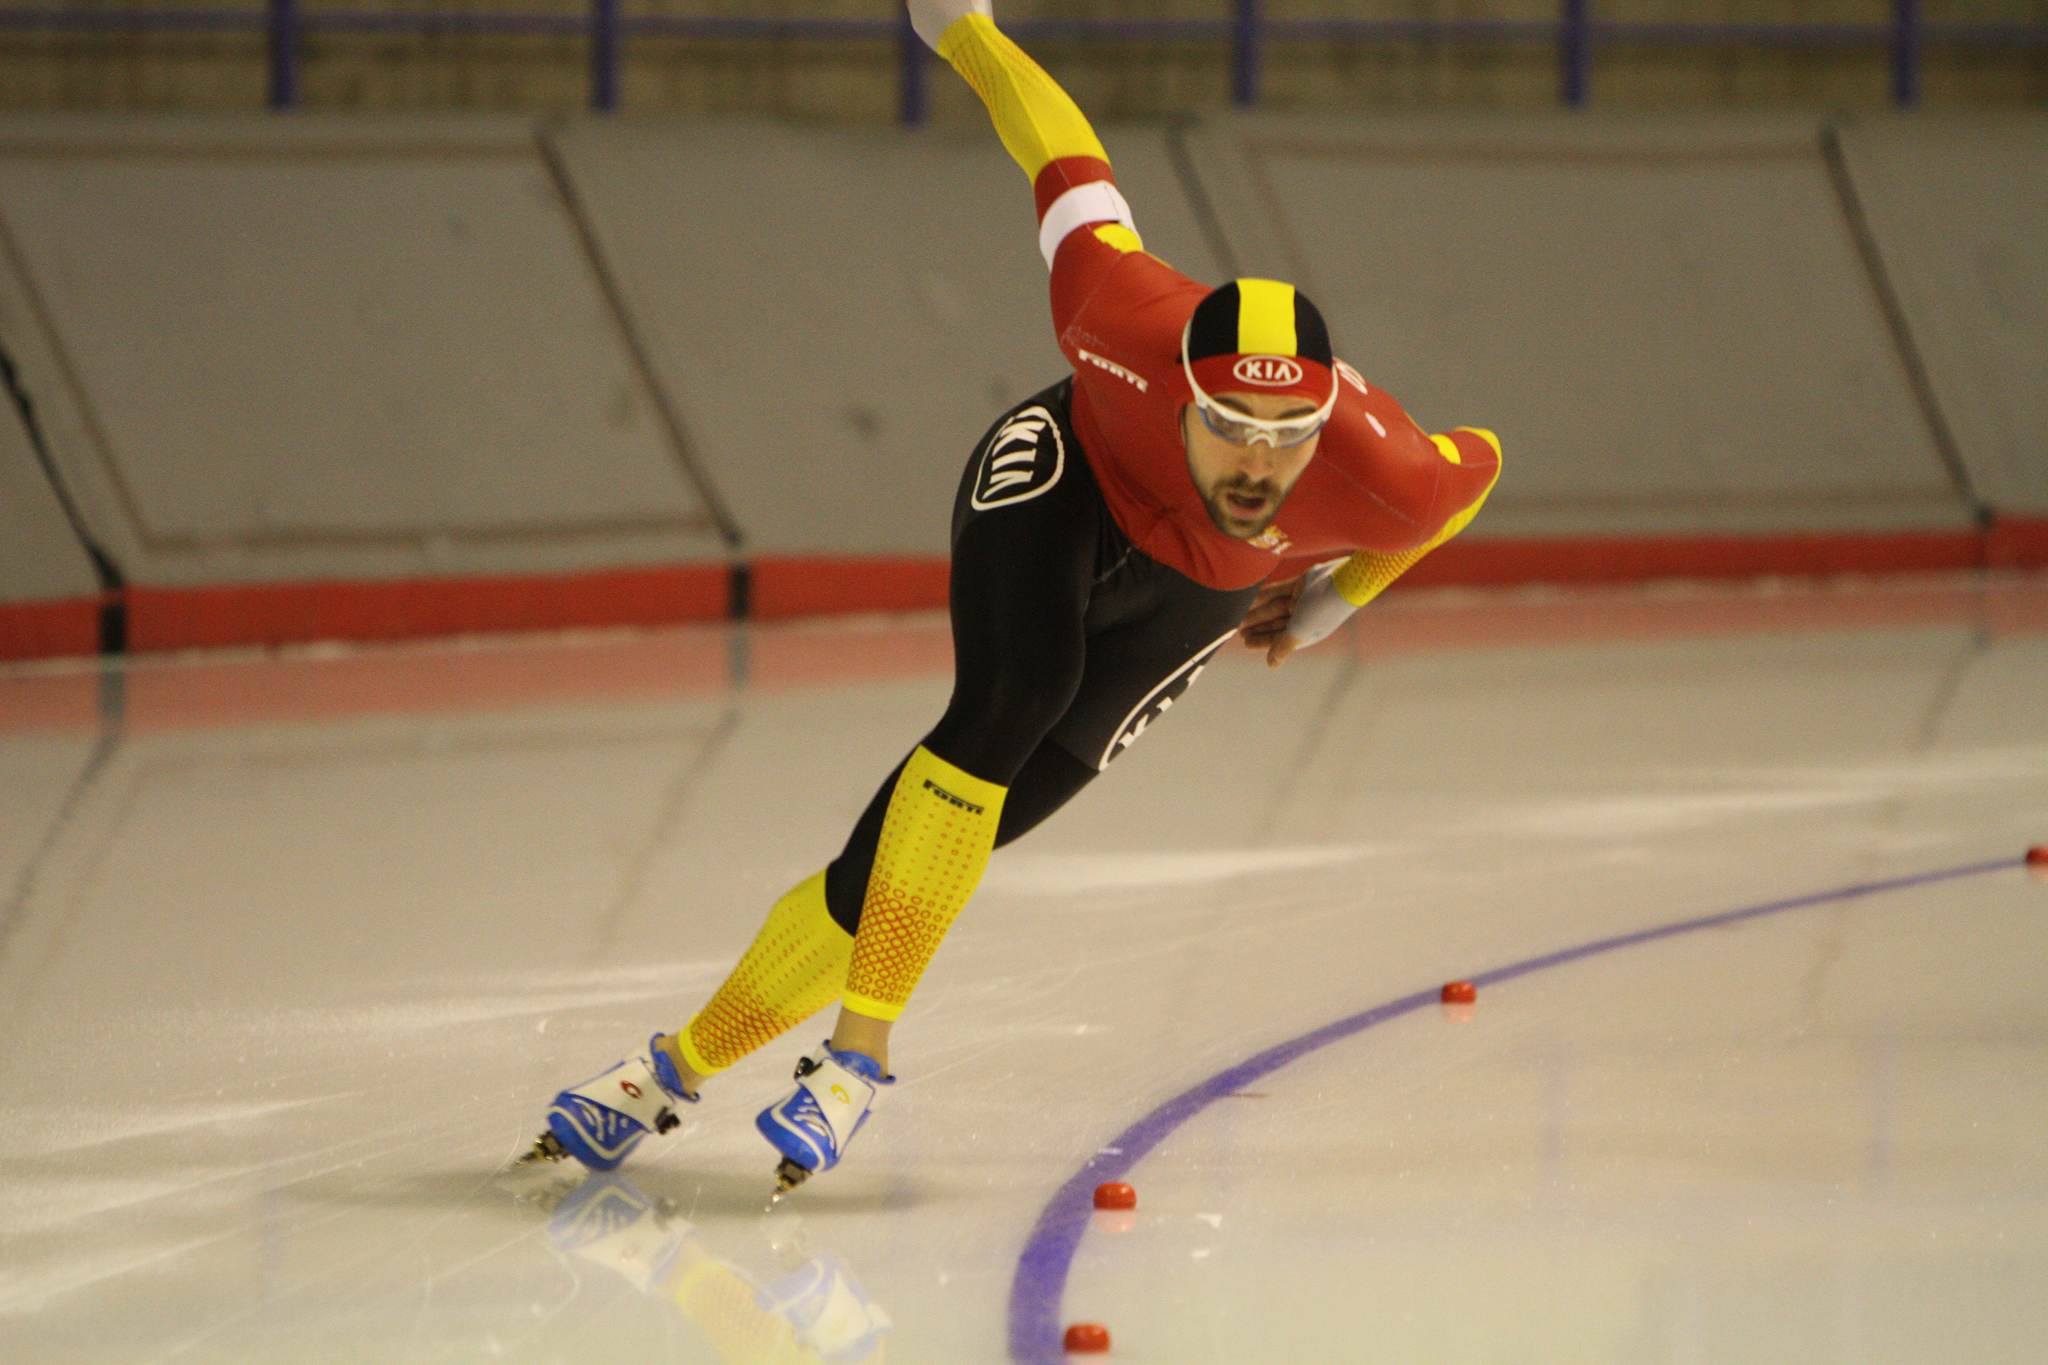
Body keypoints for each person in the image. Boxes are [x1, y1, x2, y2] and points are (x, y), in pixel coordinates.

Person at [523, 0, 1501, 1194]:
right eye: (1228, 423)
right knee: (1013, 697)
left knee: (900, 870)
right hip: (1068, 482)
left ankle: (664, 1072)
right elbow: (1062, 152)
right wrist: (964, 30)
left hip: (1194, 598)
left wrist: (1326, 605)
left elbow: (1475, 474)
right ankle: (858, 1060)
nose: (1257, 460)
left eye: (1287, 433)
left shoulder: (1388, 479)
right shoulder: (1115, 311)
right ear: (1180, 391)